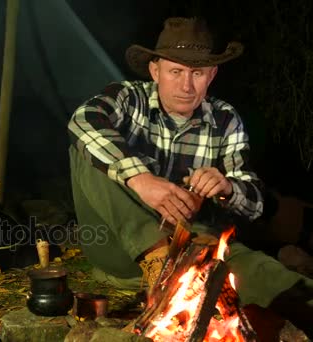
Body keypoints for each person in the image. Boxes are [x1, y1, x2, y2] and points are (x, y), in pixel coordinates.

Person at [68, 17, 313, 336]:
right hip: (118, 252)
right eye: (176, 72)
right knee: (87, 149)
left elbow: (254, 202)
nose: (186, 86)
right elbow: (82, 121)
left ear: (211, 75)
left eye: (197, 73)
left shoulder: (225, 120)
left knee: (267, 275)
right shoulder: (129, 99)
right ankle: (155, 259)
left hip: (190, 252)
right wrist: (142, 180)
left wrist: (227, 188)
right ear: (155, 71)